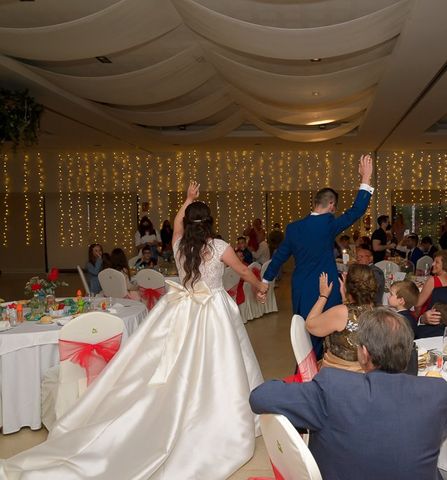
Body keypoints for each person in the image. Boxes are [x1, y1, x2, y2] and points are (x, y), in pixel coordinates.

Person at [0, 181, 268, 479]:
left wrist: (187, 199)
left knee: (178, 363)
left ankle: (182, 407)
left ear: (188, 223)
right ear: (209, 223)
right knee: (222, 365)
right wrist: (261, 285)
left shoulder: (178, 244)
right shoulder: (219, 247)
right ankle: (222, 418)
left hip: (182, 308)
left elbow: (177, 225)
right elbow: (244, 271)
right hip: (214, 309)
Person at [249, 308, 447, 480]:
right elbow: (440, 433)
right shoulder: (438, 391)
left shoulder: (335, 388)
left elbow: (259, 397)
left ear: (364, 353)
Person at [262, 155, 374, 357]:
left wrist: (265, 281)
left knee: (305, 334)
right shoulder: (328, 223)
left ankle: (305, 370)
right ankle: (324, 368)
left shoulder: (294, 228)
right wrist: (365, 178)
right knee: (325, 333)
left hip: (301, 289)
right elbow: (357, 210)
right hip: (325, 287)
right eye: (335, 207)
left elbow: (279, 257)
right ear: (331, 205)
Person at [306, 265, 377, 372]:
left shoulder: (341, 312)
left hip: (339, 373)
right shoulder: (378, 311)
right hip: (369, 374)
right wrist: (346, 297)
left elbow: (310, 326)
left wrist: (323, 296)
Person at [415, 249, 447, 314]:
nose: (433, 264)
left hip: (429, 315)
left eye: (437, 262)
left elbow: (418, 304)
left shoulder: (433, 280)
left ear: (445, 264)